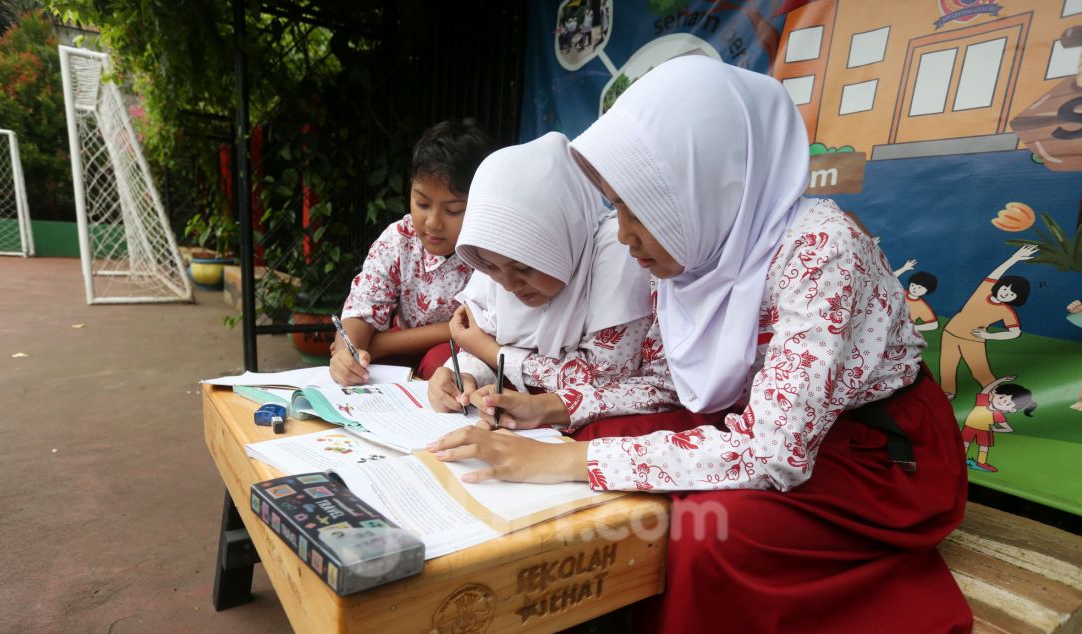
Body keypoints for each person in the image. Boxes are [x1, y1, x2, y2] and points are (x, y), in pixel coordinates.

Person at [427, 56, 971, 631]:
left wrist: (569, 460)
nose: (624, 234)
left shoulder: (822, 251)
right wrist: (558, 406)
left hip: (877, 454)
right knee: (607, 443)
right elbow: (669, 385)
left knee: (705, 531)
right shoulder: (693, 257)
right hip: (769, 430)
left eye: (640, 208)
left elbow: (773, 452)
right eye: (615, 207)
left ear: (711, 183)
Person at [427, 131, 680, 433]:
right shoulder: (498, 248)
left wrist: (491, 352)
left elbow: (604, 380)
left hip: (606, 397)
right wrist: (465, 377)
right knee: (437, 360)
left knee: (602, 432)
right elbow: (486, 338)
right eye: (492, 268)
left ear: (564, 238)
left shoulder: (616, 252)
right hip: (528, 392)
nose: (507, 284)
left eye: (524, 268)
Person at [330, 119, 494, 385]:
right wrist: (346, 355)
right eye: (422, 203)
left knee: (443, 364)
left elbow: (477, 330)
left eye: (453, 210)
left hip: (462, 357)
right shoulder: (399, 241)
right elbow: (362, 310)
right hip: (403, 355)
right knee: (366, 368)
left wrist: (382, 343)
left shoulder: (492, 252)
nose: (433, 223)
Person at [938, 244, 1037, 399]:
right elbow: (995, 274)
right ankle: (947, 392)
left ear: (1017, 298)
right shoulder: (984, 290)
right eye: (1005, 289)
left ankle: (997, 396)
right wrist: (1014, 258)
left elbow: (1015, 332)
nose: (1006, 293)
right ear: (999, 286)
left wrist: (989, 336)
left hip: (973, 339)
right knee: (947, 365)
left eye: (1012, 294)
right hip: (950, 332)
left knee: (981, 371)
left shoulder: (1006, 311)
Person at [961, 375, 1037, 473]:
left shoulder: (997, 415)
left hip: (985, 431)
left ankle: (982, 463)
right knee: (965, 443)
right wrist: (1001, 380)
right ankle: (960, 457)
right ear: (994, 393)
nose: (1002, 402)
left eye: (1007, 403)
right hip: (969, 427)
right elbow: (985, 390)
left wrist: (995, 429)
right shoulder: (983, 403)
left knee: (984, 447)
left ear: (1012, 409)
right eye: (1001, 397)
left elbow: (1008, 429)